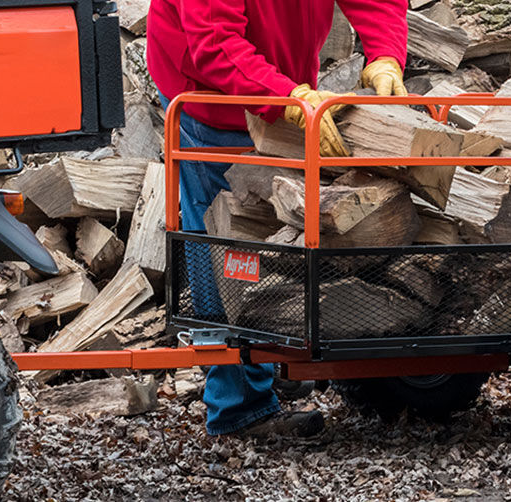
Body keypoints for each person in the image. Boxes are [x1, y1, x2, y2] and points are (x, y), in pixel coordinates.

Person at [146, 0, 409, 437]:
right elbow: (215, 44)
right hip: (208, 97)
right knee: (224, 245)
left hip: (279, 79)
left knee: (278, 230)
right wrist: (283, 97)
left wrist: (385, 54)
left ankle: (269, 351)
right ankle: (239, 409)